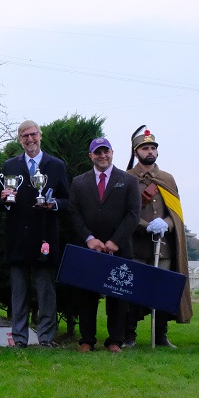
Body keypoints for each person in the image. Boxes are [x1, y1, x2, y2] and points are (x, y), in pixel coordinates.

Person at [0, 120, 70, 348]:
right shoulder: (10, 165)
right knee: (19, 291)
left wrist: (54, 204)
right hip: (18, 236)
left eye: (32, 135)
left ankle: (46, 338)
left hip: (44, 236)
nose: (29, 139)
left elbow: (68, 201)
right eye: (24, 136)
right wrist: (5, 200)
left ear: (40, 136)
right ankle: (19, 338)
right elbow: (4, 201)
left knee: (45, 290)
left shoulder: (56, 165)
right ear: (19, 139)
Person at [68, 137, 140, 353]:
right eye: (97, 152)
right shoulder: (79, 182)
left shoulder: (128, 181)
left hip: (118, 248)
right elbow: (73, 213)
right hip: (89, 248)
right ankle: (87, 340)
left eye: (105, 151)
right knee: (87, 296)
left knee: (117, 297)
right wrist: (89, 239)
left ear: (112, 152)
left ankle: (115, 340)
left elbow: (133, 214)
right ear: (91, 155)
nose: (102, 156)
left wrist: (115, 241)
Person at [124, 126, 193, 348]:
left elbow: (176, 213)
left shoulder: (167, 179)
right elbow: (125, 214)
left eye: (153, 147)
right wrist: (145, 226)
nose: (150, 151)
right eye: (145, 148)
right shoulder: (127, 178)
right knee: (132, 292)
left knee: (163, 291)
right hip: (137, 245)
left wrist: (166, 223)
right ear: (136, 152)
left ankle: (160, 335)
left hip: (163, 246)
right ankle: (129, 335)